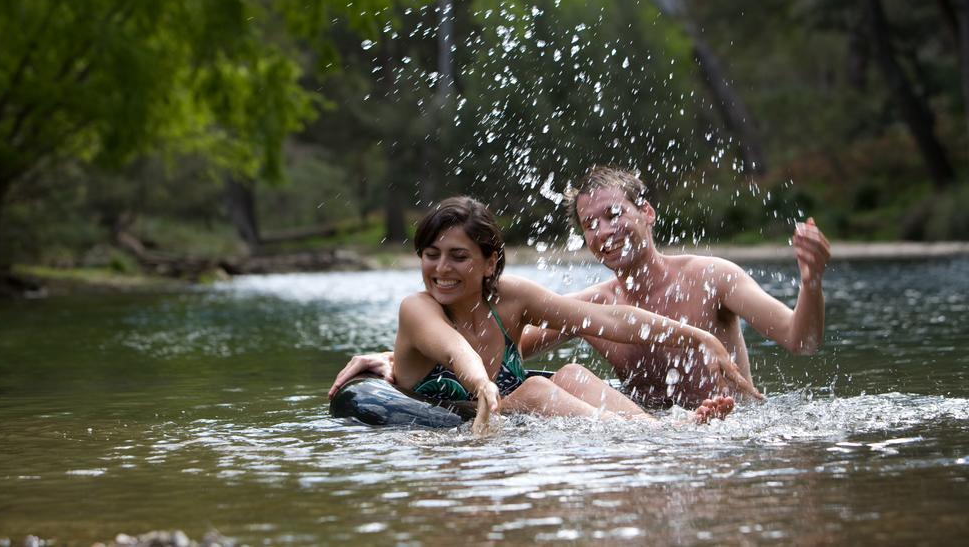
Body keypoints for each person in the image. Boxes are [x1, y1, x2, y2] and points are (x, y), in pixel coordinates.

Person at [329, 167, 830, 409]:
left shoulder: (712, 276)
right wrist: (395, 359)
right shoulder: (593, 303)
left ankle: (667, 435)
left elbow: (801, 342)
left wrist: (811, 283)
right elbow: (482, 350)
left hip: (735, 427)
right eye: (591, 224)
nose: (604, 231)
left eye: (615, 214)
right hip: (651, 430)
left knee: (559, 379)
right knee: (558, 375)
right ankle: (663, 435)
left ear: (647, 213)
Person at [364, 195, 759, 433]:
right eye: (431, 255)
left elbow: (609, 319)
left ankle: (663, 432)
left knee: (572, 373)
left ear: (489, 264)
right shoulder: (418, 308)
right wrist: (483, 385)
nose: (441, 269)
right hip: (444, 430)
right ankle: (657, 436)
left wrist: (697, 336)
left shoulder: (512, 298)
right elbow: (454, 349)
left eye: (458, 256)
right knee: (534, 389)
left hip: (514, 421)